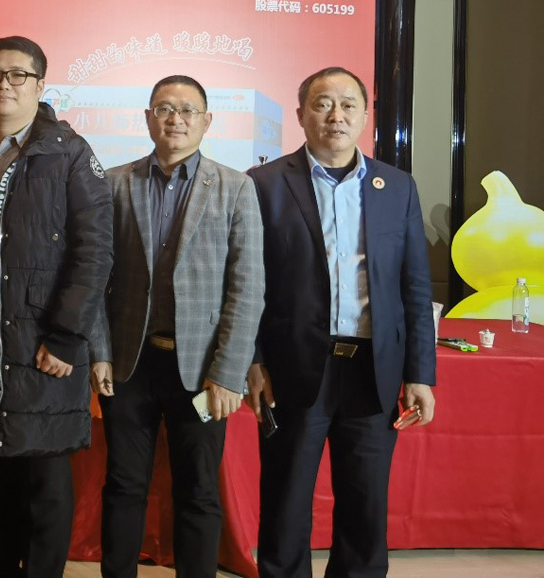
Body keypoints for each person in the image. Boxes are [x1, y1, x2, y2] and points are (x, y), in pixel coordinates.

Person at [0, 35, 113, 578]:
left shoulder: (69, 152)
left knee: (44, 489)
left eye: (17, 75)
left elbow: (95, 251)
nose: (3, 84)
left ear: (40, 85)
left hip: (41, 338)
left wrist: (66, 336)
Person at [246, 66, 437, 578]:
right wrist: (254, 360)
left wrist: (420, 373)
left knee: (365, 504)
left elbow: (415, 287)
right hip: (293, 368)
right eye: (323, 104)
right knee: (286, 501)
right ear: (300, 114)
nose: (336, 115)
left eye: (349, 105)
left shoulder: (397, 187)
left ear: (365, 116)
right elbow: (247, 283)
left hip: (373, 370)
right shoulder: (263, 184)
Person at [89, 75, 264, 578]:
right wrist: (99, 351)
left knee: (199, 491)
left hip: (203, 368)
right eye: (164, 108)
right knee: (124, 485)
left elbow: (247, 288)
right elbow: (96, 278)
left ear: (207, 121)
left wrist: (228, 373)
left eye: (188, 110)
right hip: (129, 363)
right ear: (148, 118)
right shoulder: (114, 183)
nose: (176, 119)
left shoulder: (236, 187)